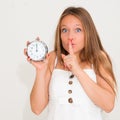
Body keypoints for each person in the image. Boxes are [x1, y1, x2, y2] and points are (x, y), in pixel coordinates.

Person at [24, 6, 117, 120]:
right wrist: (40, 71)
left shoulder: (99, 58)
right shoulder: (53, 58)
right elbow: (36, 109)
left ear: (88, 32)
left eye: (78, 30)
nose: (70, 37)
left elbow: (108, 105)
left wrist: (77, 70)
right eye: (65, 30)